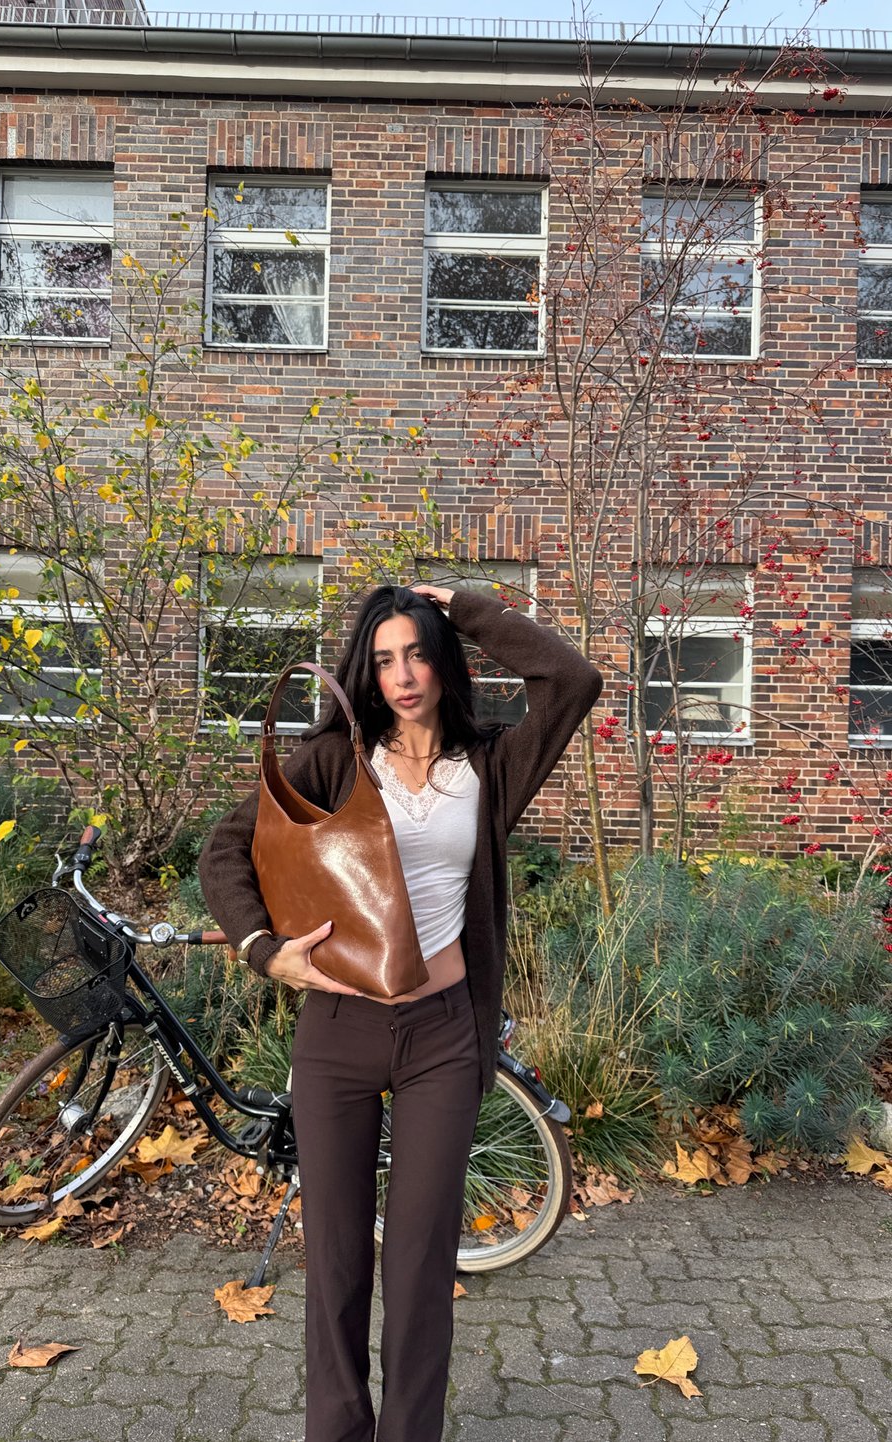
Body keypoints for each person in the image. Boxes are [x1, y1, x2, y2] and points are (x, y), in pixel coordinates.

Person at [198, 581, 602, 1442]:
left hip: (443, 1036)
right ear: (365, 672)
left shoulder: (489, 764)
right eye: (383, 660)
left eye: (417, 652)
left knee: (420, 1264)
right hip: (338, 1033)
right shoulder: (337, 758)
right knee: (338, 1260)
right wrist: (266, 950)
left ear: (443, 659)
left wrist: (470, 605)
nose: (402, 675)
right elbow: (226, 848)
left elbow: (572, 681)